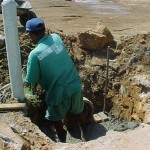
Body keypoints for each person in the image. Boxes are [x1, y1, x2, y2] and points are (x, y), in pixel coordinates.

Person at [25, 18, 84, 142]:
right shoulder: (56, 37)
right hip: (75, 84)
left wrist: (33, 91)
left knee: (55, 119)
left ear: (31, 34)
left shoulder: (34, 54)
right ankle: (80, 133)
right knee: (76, 112)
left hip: (58, 94)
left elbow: (32, 79)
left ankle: (62, 140)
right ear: (44, 30)